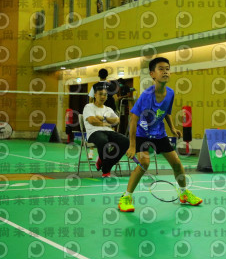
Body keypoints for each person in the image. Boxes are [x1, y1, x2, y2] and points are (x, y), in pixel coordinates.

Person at [118, 57, 202, 212]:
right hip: (142, 133)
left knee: (176, 163)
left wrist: (172, 128)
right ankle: (126, 197)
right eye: (161, 69)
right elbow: (133, 120)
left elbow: (166, 112)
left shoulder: (170, 93)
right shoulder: (146, 95)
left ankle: (184, 193)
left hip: (159, 133)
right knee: (144, 163)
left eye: (167, 69)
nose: (165, 72)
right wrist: (132, 145)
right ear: (152, 74)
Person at [83, 84, 130, 178]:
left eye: (105, 95)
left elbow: (116, 120)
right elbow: (92, 121)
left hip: (109, 132)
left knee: (125, 141)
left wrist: (103, 118)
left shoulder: (108, 109)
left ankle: (104, 162)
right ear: (95, 95)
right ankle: (106, 170)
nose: (103, 97)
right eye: (100, 94)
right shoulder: (88, 107)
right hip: (94, 133)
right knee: (104, 141)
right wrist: (106, 123)